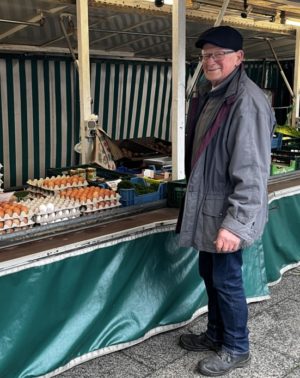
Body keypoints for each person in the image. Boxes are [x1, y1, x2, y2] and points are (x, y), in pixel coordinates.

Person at [176, 25, 276, 376]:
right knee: (210, 272)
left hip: (226, 211)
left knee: (227, 279)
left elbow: (252, 171)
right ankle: (216, 333)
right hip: (209, 206)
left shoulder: (246, 101)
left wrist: (235, 224)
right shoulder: (214, 93)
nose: (211, 60)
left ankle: (237, 347)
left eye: (219, 54)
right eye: (206, 55)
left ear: (239, 58)